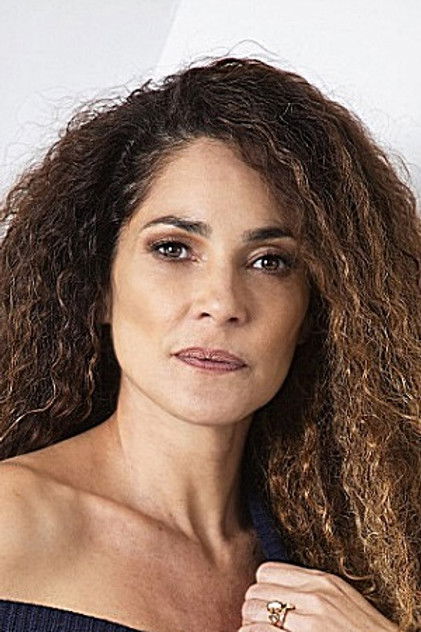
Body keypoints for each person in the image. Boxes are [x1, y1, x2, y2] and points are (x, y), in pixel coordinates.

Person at [0, 56, 419, 632]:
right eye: (173, 249)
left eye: (270, 261)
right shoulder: (11, 523)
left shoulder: (355, 561)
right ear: (98, 286)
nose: (222, 302)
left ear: (316, 311)